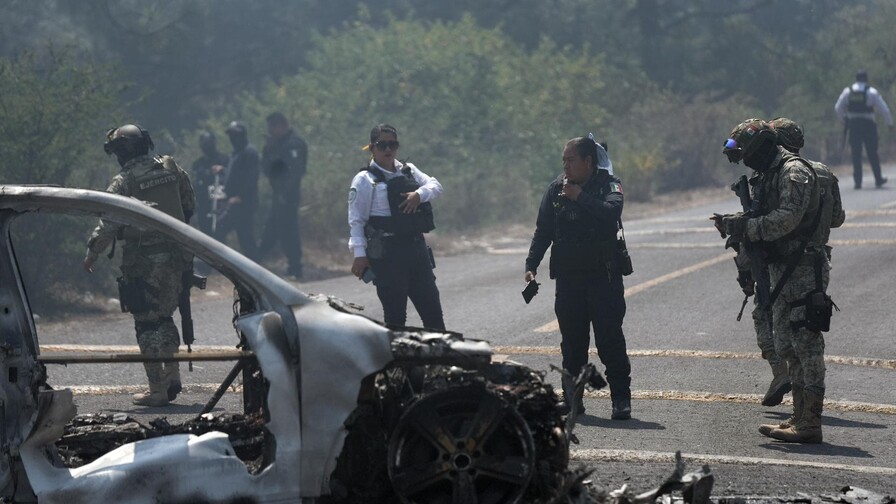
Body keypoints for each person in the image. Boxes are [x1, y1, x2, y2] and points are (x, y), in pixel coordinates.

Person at [718, 118, 845, 443]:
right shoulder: (772, 174)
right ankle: (799, 416)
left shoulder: (794, 171)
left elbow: (787, 219)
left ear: (761, 148)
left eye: (748, 154)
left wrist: (746, 227)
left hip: (803, 268)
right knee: (788, 345)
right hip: (781, 267)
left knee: (807, 344)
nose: (747, 162)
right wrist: (738, 222)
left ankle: (810, 422)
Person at [83, 124, 196, 407]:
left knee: (146, 322)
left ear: (122, 152)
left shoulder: (123, 181)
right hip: (177, 256)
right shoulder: (171, 168)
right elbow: (189, 204)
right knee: (165, 315)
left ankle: (157, 390)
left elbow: (108, 223)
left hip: (143, 262)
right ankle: (172, 375)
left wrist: (92, 253)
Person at [524, 134, 632, 420]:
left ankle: (621, 399)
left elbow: (611, 212)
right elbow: (543, 230)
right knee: (572, 344)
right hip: (569, 280)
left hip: (603, 278)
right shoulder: (555, 190)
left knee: (609, 340)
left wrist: (580, 197)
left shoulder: (609, 184)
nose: (566, 166)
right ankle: (573, 400)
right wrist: (531, 264)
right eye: (564, 160)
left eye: (571, 160)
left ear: (588, 161)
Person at [347, 123, 445, 330]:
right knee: (395, 319)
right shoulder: (364, 180)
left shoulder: (409, 170)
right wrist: (359, 254)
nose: (388, 149)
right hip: (388, 255)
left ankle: (441, 352)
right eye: (382, 145)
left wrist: (419, 195)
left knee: (433, 314)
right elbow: (356, 220)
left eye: (392, 144)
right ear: (372, 148)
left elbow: (435, 186)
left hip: (416, 250)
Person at [259, 112, 307, 278]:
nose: (270, 132)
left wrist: (285, 194)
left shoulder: (293, 144)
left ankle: (295, 268)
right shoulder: (276, 145)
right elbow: (267, 169)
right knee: (271, 231)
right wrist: (269, 149)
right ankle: (255, 261)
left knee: (289, 231)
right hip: (278, 195)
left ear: (281, 125)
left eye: (272, 128)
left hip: (288, 196)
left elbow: (295, 172)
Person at [834, 69, 893, 189]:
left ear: (856, 79)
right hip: (868, 125)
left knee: (856, 154)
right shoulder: (871, 92)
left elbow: (838, 108)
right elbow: (884, 109)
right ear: (866, 79)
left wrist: (844, 120)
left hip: (854, 126)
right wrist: (889, 123)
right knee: (872, 152)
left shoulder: (848, 91)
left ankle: (858, 182)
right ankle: (878, 178)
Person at [215, 120, 259, 260]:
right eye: (231, 135)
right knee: (245, 237)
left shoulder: (249, 152)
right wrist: (223, 170)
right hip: (234, 201)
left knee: (220, 228)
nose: (233, 138)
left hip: (242, 203)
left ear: (243, 135)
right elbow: (235, 175)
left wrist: (240, 197)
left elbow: (251, 177)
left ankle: (218, 262)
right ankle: (254, 265)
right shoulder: (236, 153)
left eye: (236, 135)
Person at [190, 130, 228, 236]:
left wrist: (222, 170)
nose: (206, 146)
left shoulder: (223, 160)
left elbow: (231, 177)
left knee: (218, 233)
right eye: (204, 144)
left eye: (208, 143)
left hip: (218, 203)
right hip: (202, 204)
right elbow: (194, 183)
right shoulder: (198, 164)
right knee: (204, 233)